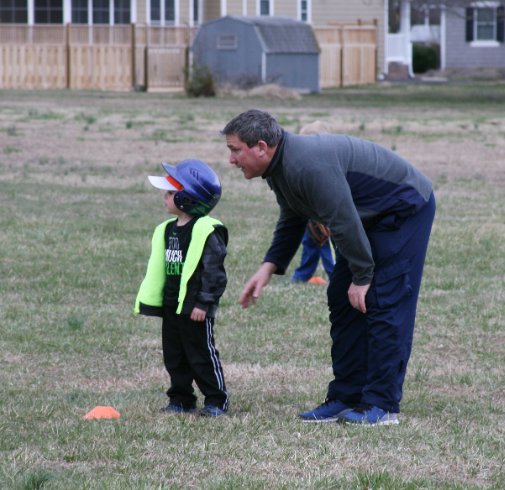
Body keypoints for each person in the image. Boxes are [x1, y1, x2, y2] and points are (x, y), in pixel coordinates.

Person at [222, 109, 435, 426]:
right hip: (366, 218)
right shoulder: (282, 167)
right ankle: (346, 397)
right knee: (341, 297)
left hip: (403, 209)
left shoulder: (306, 165)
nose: (231, 160)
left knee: (383, 300)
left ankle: (381, 404)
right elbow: (293, 216)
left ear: (262, 146)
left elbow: (344, 221)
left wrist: (363, 277)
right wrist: (269, 266)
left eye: (235, 150)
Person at [134, 159, 229, 417]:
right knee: (174, 356)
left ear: (187, 198)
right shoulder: (167, 230)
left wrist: (203, 303)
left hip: (195, 307)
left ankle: (216, 400)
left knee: (201, 355)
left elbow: (215, 273)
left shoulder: (206, 231)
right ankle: (181, 398)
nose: (165, 197)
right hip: (171, 305)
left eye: (171, 193)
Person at [290, 121, 335, 285]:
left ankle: (336, 276)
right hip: (309, 215)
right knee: (309, 244)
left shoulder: (329, 165)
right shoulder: (303, 165)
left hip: (328, 217)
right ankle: (302, 275)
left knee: (328, 247)